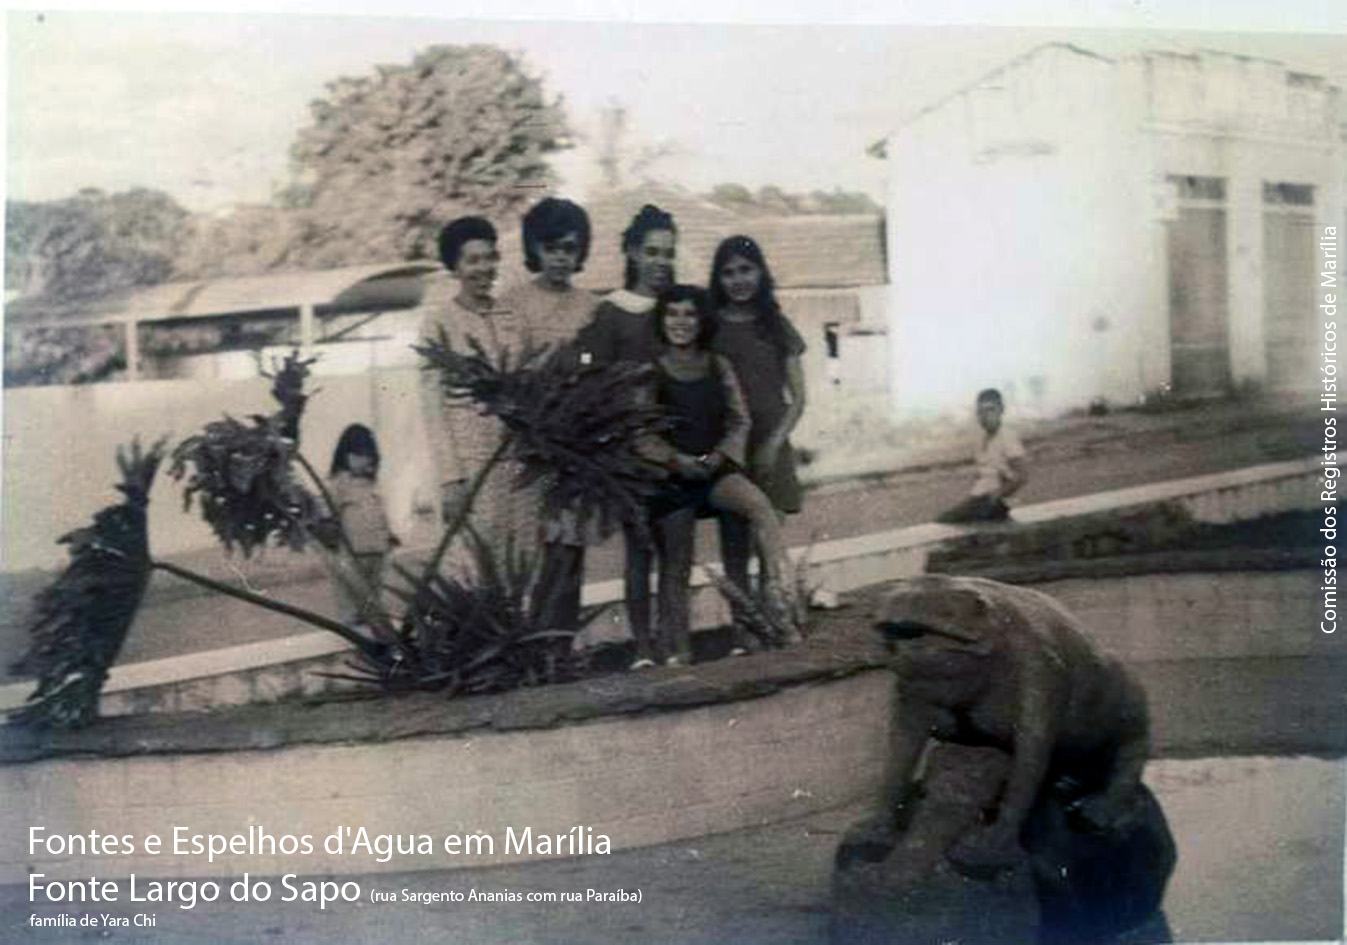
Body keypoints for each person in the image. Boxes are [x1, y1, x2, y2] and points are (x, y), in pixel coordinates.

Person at [630, 285, 797, 668]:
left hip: (713, 470)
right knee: (677, 560)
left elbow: (740, 419)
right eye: (672, 314)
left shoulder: (718, 365)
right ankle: (678, 651)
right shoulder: (650, 372)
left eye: (689, 314)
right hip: (673, 477)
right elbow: (640, 431)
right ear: (661, 320)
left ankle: (778, 612)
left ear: (702, 320)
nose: (681, 322)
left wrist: (719, 455)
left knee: (759, 508)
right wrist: (674, 459)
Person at [573, 205, 678, 660]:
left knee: (675, 549)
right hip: (632, 451)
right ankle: (643, 647)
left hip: (678, 446)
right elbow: (588, 372)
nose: (660, 262)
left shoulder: (680, 308)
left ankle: (674, 642)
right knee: (640, 550)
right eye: (652, 252)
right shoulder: (612, 312)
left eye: (668, 253)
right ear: (633, 253)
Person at [498, 197, 599, 633]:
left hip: (578, 442)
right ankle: (532, 646)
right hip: (530, 445)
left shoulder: (591, 305)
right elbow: (509, 371)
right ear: (534, 248)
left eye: (570, 248)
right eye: (551, 247)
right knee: (534, 549)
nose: (560, 257)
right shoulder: (513, 303)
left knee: (571, 546)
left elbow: (597, 367)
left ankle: (562, 645)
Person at [706, 235, 808, 651]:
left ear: (761, 272)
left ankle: (778, 622)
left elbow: (799, 398)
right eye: (728, 272)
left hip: (772, 441)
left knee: (770, 541)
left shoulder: (776, 325)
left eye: (746, 270)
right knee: (734, 542)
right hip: (732, 445)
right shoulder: (712, 327)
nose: (738, 280)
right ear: (718, 279)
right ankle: (743, 631)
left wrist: (774, 443)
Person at [419, 216, 538, 556]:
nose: (484, 268)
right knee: (481, 560)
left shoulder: (513, 316)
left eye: (490, 257)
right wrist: (450, 478)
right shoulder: (439, 322)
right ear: (454, 268)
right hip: (472, 464)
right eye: (472, 260)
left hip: (520, 459)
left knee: (526, 557)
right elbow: (432, 405)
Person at [327, 423, 396, 629]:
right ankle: (354, 632)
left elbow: (380, 513)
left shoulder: (372, 484)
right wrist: (335, 548)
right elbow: (330, 517)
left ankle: (377, 632)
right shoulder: (339, 483)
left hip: (377, 551)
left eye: (368, 456)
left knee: (375, 600)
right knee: (352, 601)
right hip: (352, 556)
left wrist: (388, 535)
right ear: (344, 456)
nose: (364, 460)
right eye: (358, 455)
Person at [936, 388, 1029, 523]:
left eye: (990, 410)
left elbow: (1022, 476)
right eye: (980, 412)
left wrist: (996, 495)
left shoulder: (1007, 437)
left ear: (1001, 410)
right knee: (946, 520)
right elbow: (985, 472)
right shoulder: (982, 438)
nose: (985, 416)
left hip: (994, 501)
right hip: (980, 498)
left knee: (945, 521)